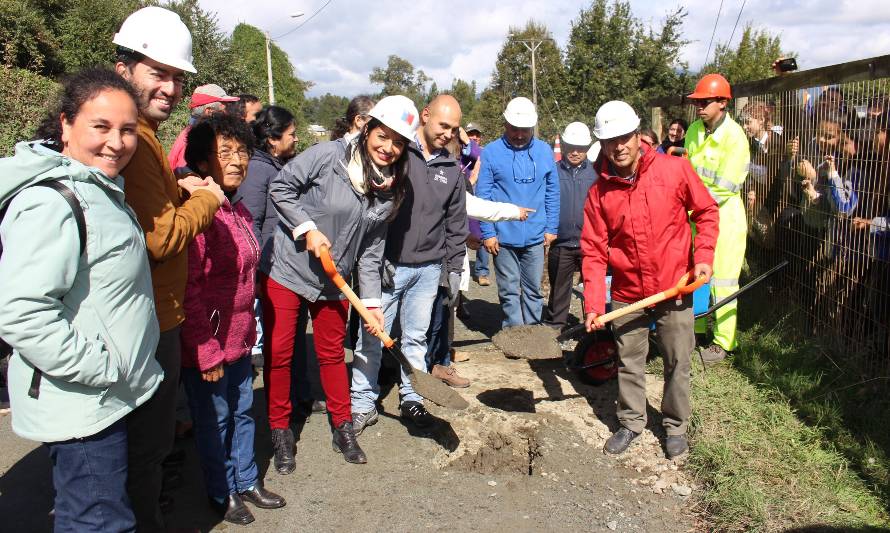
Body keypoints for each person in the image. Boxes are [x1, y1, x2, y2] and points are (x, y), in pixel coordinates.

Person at [0, 68, 163, 531]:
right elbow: (22, 312)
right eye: (101, 126)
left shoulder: (101, 188)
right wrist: (100, 367)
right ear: (67, 124)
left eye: (128, 130)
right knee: (98, 521)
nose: (116, 142)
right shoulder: (53, 201)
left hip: (105, 396)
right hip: (84, 402)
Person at [261, 95, 418, 470]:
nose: (388, 148)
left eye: (398, 142)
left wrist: (374, 304)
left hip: (335, 280)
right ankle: (281, 431)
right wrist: (307, 227)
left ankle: (342, 424)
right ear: (367, 129)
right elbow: (281, 187)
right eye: (383, 136)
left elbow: (371, 249)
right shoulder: (328, 155)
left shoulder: (393, 187)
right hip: (288, 269)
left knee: (333, 354)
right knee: (281, 354)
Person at [113, 6, 225, 529]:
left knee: (145, 449)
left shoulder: (147, 137)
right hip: (151, 317)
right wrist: (208, 199)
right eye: (158, 72)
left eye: (177, 77)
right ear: (123, 70)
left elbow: (151, 205)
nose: (170, 87)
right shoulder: (132, 139)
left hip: (156, 312)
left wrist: (180, 190)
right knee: (143, 452)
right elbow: (162, 237)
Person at [582, 100, 718, 459]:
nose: (619, 146)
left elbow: (706, 211)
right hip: (628, 294)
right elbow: (594, 252)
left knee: (678, 360)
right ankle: (630, 422)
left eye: (624, 136)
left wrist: (703, 257)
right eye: (611, 139)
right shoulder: (599, 193)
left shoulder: (674, 170)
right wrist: (595, 304)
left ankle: (675, 425)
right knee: (629, 360)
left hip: (674, 288)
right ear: (602, 143)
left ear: (637, 133)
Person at [180, 114, 286, 525]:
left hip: (239, 339)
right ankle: (221, 491)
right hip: (208, 345)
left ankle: (246, 481)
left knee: (242, 413)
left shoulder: (237, 207)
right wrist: (205, 350)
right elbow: (189, 290)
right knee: (215, 421)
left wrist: (249, 330)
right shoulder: (199, 213)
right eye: (225, 152)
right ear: (203, 163)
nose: (238, 160)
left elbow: (244, 280)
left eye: (242, 150)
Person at [351, 95, 467, 434]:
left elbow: (455, 224)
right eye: (444, 126)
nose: (448, 134)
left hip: (428, 270)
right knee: (371, 338)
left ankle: (411, 398)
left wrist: (454, 269)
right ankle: (361, 403)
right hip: (389, 266)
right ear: (426, 116)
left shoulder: (452, 171)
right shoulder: (399, 154)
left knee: (415, 339)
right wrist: (374, 258)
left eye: (454, 129)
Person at [475, 96, 560, 327]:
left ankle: (531, 332)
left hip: (535, 234)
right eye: (514, 129)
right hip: (503, 236)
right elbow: (483, 196)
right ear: (505, 124)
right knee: (508, 288)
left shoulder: (544, 151)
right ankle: (514, 332)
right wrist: (488, 232)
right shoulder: (491, 152)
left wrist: (552, 227)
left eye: (525, 130)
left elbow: (552, 191)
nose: (520, 135)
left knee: (533, 288)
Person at [684, 73, 750, 363]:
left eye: (704, 101)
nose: (699, 105)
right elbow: (685, 172)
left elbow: (725, 186)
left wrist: (692, 204)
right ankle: (695, 331)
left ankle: (723, 342)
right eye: (697, 100)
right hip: (695, 216)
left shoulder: (735, 137)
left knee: (723, 280)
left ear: (722, 102)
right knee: (695, 275)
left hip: (725, 217)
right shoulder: (694, 130)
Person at [543, 122, 597, 330]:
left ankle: (593, 327)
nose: (575, 152)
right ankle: (556, 326)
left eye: (580, 148)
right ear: (563, 146)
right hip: (561, 241)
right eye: (571, 146)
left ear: (587, 148)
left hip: (589, 242)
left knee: (593, 287)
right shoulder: (552, 172)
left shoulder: (596, 174)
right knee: (559, 287)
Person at [168, 84, 239, 170]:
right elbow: (187, 175)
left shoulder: (194, 133)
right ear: (210, 112)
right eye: (225, 109)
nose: (228, 113)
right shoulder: (193, 140)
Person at [467, 122, 494, 286]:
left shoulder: (484, 154)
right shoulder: (459, 154)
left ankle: (482, 271)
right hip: (462, 199)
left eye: (477, 134)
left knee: (482, 234)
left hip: (480, 199)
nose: (475, 137)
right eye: (471, 134)